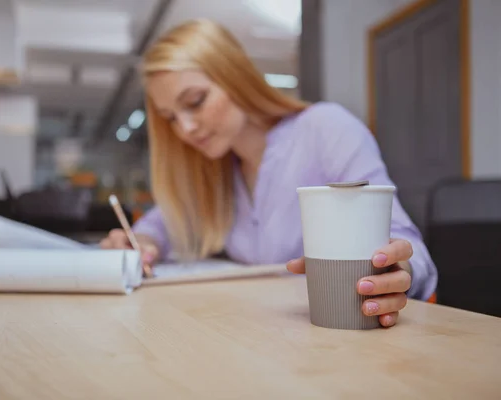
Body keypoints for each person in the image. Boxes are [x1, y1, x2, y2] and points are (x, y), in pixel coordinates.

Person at [101, 19, 438, 327]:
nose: (186, 128)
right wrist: (140, 244)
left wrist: (396, 269)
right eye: (171, 117)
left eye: (195, 101)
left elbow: (405, 243)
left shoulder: (325, 129)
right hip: (255, 336)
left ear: (234, 77)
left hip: (337, 335)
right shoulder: (210, 171)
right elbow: (158, 227)